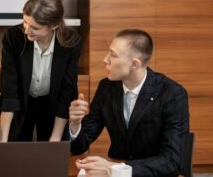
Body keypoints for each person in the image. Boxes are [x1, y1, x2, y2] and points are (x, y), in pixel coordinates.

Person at [69, 29, 189, 177]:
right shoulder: (107, 88)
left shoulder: (172, 94)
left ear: (134, 64)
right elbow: (79, 146)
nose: (105, 60)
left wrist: (115, 169)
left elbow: (172, 161)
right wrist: (75, 124)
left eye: (113, 55)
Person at [0, 0, 82, 142]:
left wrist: (55, 139)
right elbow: (9, 89)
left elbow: (67, 92)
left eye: (34, 27)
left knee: (51, 153)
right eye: (25, 22)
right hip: (22, 102)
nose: (27, 30)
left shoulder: (71, 42)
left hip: (52, 104)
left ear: (54, 25)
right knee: (14, 150)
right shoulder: (13, 37)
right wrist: (2, 141)